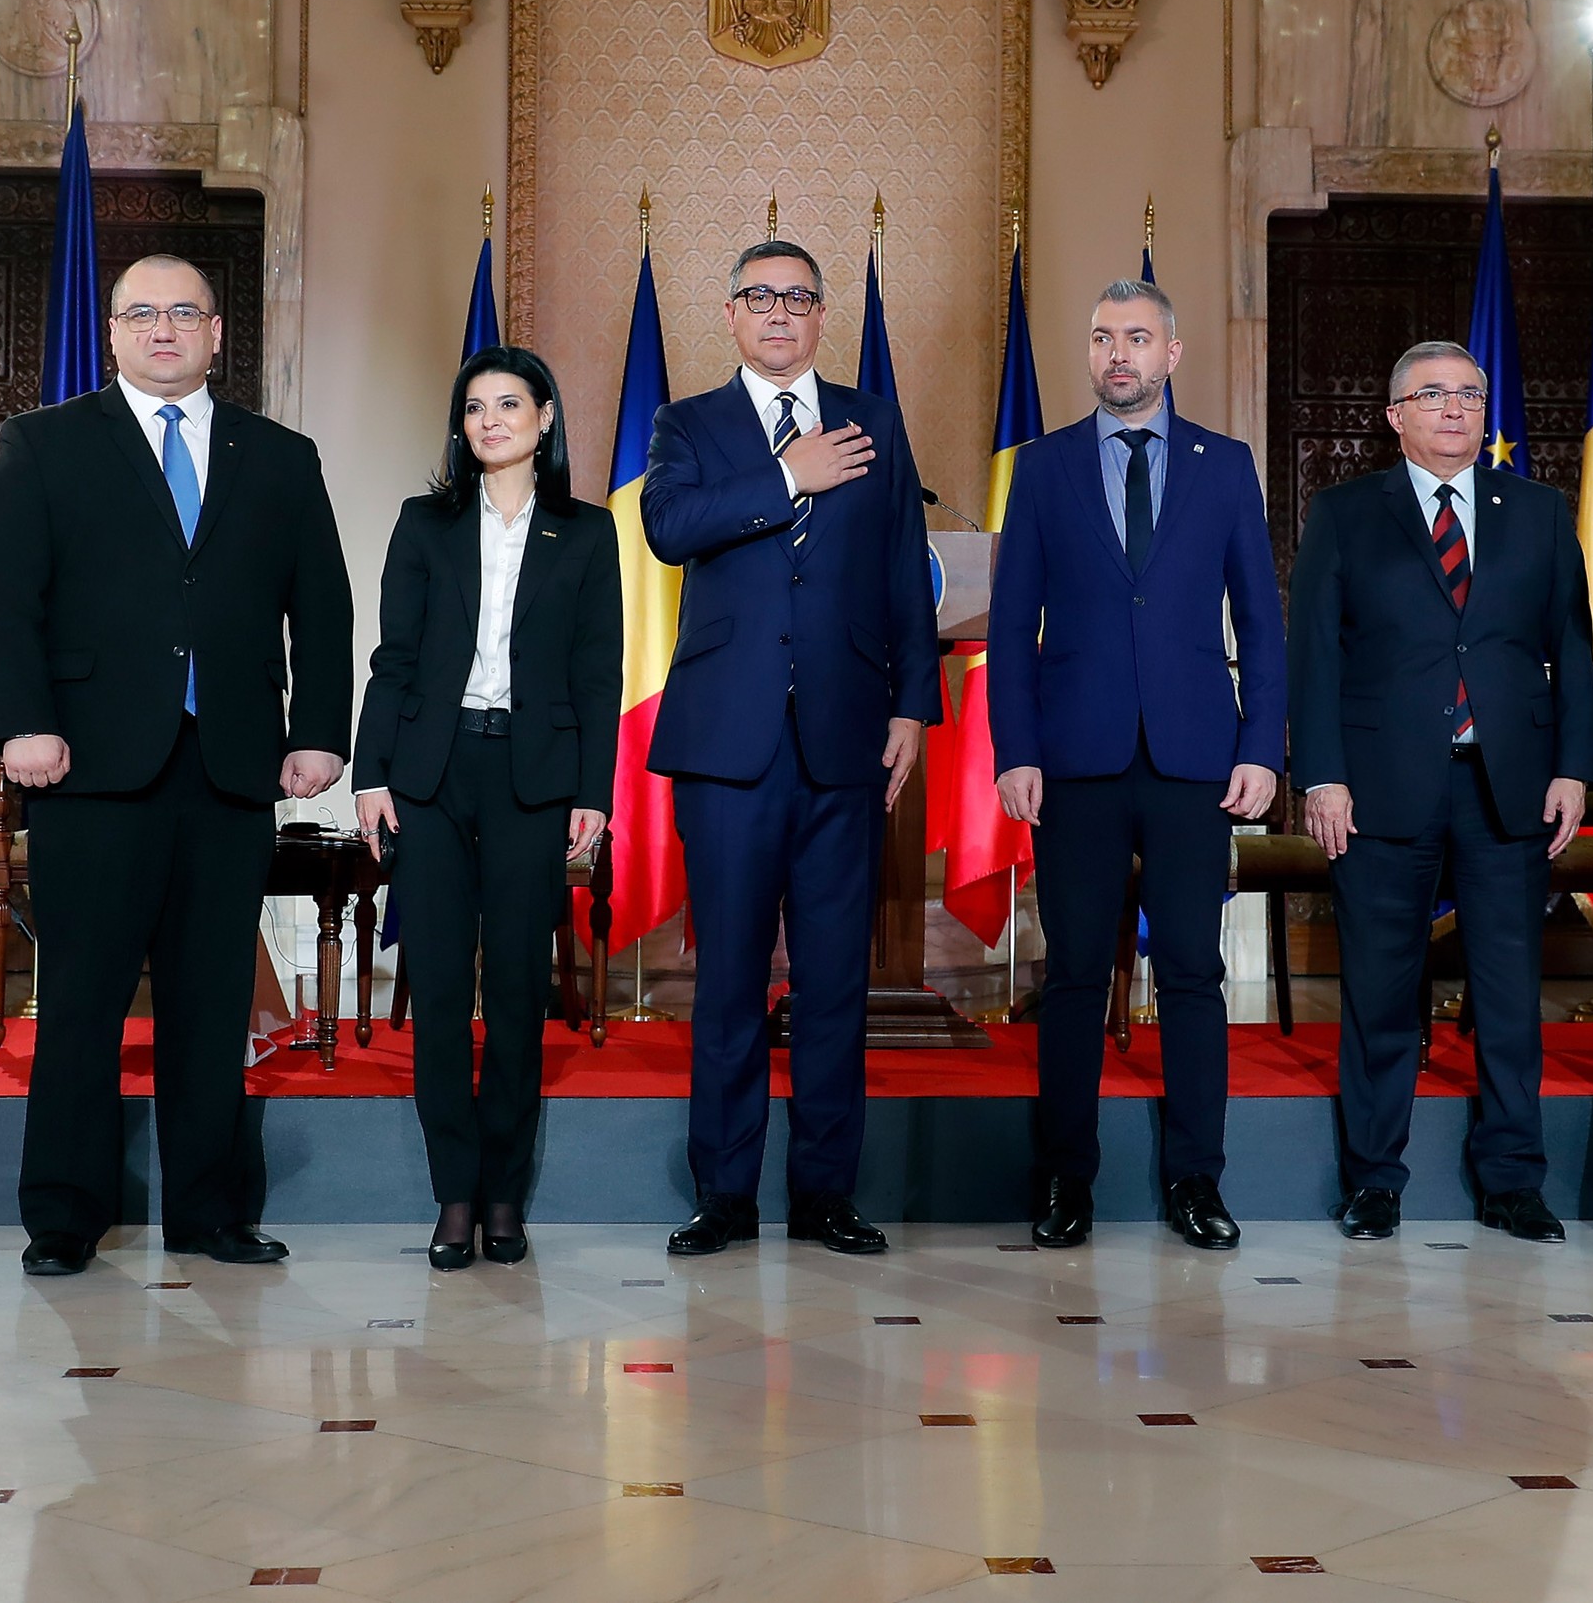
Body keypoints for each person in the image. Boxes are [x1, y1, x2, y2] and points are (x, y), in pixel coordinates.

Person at [0, 254, 354, 1276]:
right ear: (111, 332)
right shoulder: (44, 444)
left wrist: (318, 730)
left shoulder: (280, 456)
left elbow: (322, 606)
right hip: (86, 762)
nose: (164, 328)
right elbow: (2, 599)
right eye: (142, 312)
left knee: (211, 998)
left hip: (230, 764)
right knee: (85, 998)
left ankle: (210, 1212)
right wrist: (21, 723)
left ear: (218, 332)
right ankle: (63, 1216)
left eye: (185, 311)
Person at [638, 238, 938, 1257]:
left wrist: (912, 711)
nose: (779, 312)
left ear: (820, 317)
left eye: (798, 298)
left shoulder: (875, 419)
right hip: (729, 745)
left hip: (847, 738)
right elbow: (670, 529)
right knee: (727, 977)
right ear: (729, 313)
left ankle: (823, 1195)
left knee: (834, 983)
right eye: (760, 296)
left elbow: (905, 571)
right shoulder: (688, 423)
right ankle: (723, 1195)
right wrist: (786, 475)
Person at [989, 280, 1285, 1253]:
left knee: (1194, 972)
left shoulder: (1226, 465)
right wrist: (1015, 751)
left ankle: (1197, 1179)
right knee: (1072, 974)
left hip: (1198, 755)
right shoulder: (1041, 466)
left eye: (1138, 338)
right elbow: (1010, 623)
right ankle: (1065, 1181)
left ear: (1174, 350)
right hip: (1074, 760)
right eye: (1104, 336)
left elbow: (1262, 623)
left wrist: (1261, 747)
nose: (1119, 353)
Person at [1290, 340, 1593, 1245]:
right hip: (1381, 785)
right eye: (1432, 395)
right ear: (1394, 416)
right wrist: (1322, 775)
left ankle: (1512, 1181)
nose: (1455, 409)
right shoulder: (1345, 513)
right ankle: (1374, 1180)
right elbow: (1315, 654)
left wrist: (1573, 766)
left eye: (1469, 395)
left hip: (1508, 785)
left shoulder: (1538, 512)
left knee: (1508, 995)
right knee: (1380, 994)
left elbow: (1571, 653)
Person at [353, 346, 622, 1269]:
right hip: (430, 775)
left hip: (532, 779)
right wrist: (370, 773)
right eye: (474, 408)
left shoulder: (585, 532)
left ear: (545, 417)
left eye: (510, 404)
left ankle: (505, 1193)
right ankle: (454, 1195)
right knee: (434, 989)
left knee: (514, 991)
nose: (490, 421)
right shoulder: (423, 523)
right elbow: (393, 657)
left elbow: (598, 672)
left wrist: (594, 792)